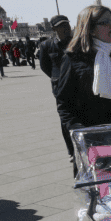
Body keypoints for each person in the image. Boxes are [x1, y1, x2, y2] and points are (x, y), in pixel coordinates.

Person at [53, 5, 111, 175]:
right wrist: (77, 130)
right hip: (92, 137)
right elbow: (64, 102)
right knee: (100, 190)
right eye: (105, 22)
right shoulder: (74, 58)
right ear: (90, 29)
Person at [40, 15, 75, 158]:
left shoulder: (75, 43)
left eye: (67, 25)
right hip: (60, 88)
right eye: (61, 26)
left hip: (76, 85)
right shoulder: (47, 45)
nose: (65, 28)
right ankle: (71, 151)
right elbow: (44, 66)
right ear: (54, 28)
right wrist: (57, 79)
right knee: (65, 120)